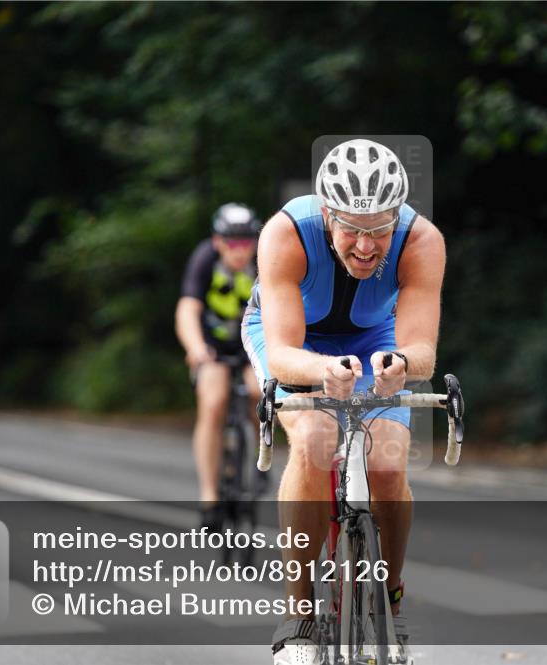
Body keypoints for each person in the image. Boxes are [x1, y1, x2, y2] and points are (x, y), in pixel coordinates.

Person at [242, 139, 446, 664]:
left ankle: (389, 602)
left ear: (397, 218)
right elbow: (285, 352)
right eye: (352, 228)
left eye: (379, 228)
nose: (364, 245)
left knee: (388, 462)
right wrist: (321, 370)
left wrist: (400, 364)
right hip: (292, 337)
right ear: (327, 212)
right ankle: (301, 615)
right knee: (312, 440)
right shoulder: (285, 233)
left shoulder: (421, 239)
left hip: (375, 338)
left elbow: (421, 349)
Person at [175, 203, 262, 528]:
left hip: (252, 344)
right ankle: (210, 492)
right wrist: (195, 347)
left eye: (246, 241)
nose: (239, 250)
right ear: (217, 241)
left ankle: (256, 460)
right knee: (213, 402)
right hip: (212, 346)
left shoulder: (265, 260)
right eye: (232, 242)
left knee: (258, 393)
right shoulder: (204, 260)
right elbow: (187, 309)